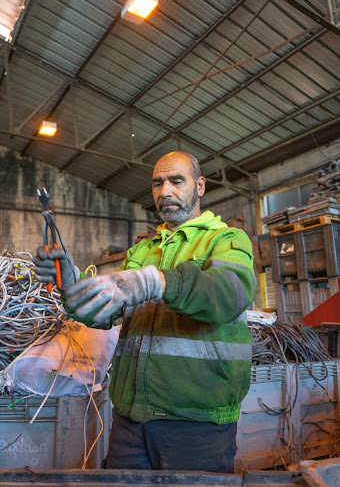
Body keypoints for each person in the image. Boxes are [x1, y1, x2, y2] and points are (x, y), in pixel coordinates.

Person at [34, 151, 256, 472]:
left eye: (176, 181)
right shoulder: (142, 251)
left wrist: (155, 280)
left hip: (194, 423)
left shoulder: (225, 239)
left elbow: (229, 294)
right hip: (130, 420)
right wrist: (70, 281)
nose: (164, 191)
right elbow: (104, 314)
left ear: (201, 185)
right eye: (157, 183)